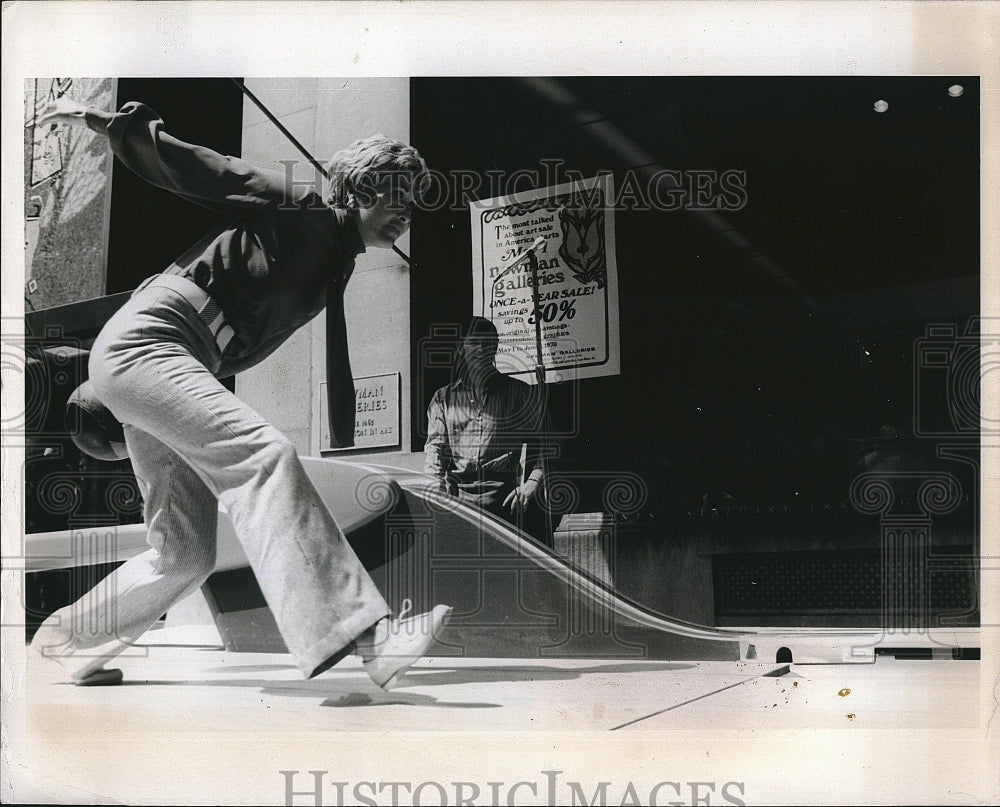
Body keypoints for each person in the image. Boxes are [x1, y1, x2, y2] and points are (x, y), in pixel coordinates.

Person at [29, 95, 451, 690]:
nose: (407, 210)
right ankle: (366, 639)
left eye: (414, 198)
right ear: (357, 188)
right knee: (265, 456)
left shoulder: (337, 258)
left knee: (185, 553)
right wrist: (113, 127)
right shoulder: (298, 202)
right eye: (395, 193)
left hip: (172, 357)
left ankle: (65, 646)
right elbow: (210, 170)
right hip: (151, 343)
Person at [424, 317, 551, 538]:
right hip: (460, 500)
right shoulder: (443, 398)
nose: (481, 350)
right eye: (474, 343)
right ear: (461, 348)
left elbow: (548, 441)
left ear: (496, 348)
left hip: (505, 499)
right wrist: (436, 487)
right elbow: (435, 448)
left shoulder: (519, 393)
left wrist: (533, 481)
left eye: (487, 343)